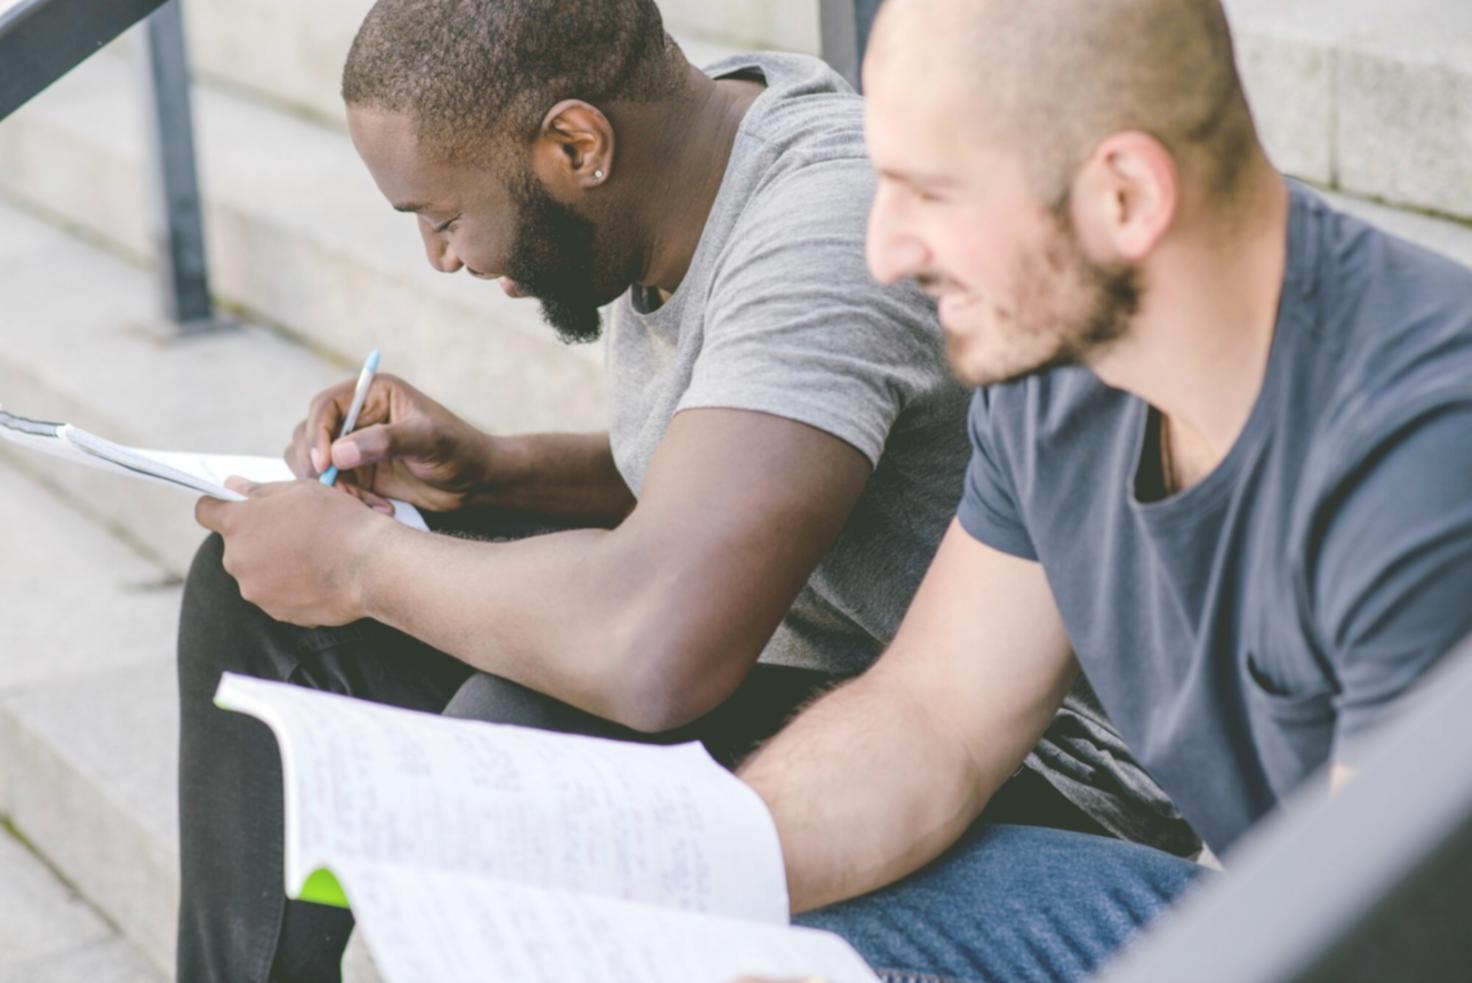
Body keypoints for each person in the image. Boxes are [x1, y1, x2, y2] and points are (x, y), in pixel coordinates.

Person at [174, 1, 1193, 980]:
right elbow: (726, 464)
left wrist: (358, 560)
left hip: (1035, 771)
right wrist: (494, 468)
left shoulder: (824, 228)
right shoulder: (676, 170)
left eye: (444, 218)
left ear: (576, 148)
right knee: (258, 598)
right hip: (851, 696)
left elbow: (658, 644)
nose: (439, 258)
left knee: (528, 739)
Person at [736, 0, 1472, 979]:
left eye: (930, 192)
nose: (884, 252)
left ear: (1122, 196)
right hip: (1287, 909)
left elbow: (1381, 945)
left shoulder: (1419, 459)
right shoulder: (1055, 371)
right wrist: (670, 869)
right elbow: (931, 723)